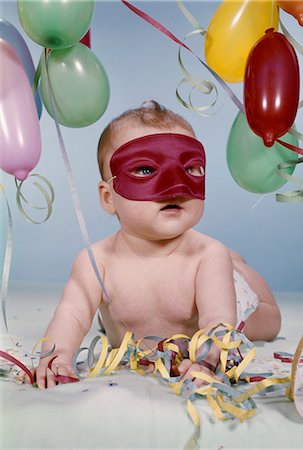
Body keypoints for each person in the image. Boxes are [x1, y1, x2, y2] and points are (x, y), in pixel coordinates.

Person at [26, 101, 280, 389]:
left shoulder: (207, 255)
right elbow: (71, 314)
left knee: (269, 322)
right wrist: (56, 357)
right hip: (135, 339)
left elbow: (218, 324)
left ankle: (237, 267)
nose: (175, 185)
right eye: (145, 170)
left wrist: (208, 361)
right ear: (109, 198)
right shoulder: (96, 260)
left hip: (229, 300)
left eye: (191, 168)